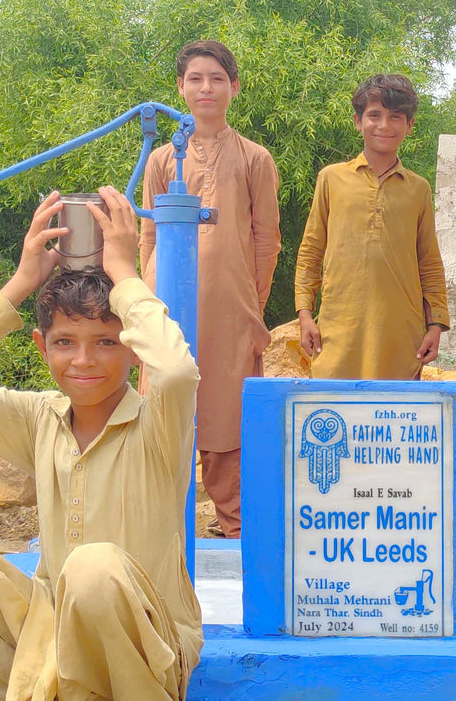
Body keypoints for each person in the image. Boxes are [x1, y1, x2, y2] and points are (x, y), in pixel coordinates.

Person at [0, 187, 203, 700]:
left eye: (106, 342)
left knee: (92, 569)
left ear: (131, 349)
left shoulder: (158, 425)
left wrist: (125, 274)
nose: (83, 361)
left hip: (148, 650)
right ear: (43, 347)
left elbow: (174, 370)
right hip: (50, 638)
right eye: (66, 342)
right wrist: (20, 284)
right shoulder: (38, 419)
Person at [139, 39, 280, 539]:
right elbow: (149, 234)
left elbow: (267, 239)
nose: (206, 88)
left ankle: (235, 529)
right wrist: (147, 306)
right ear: (179, 87)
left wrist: (250, 306)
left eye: (216, 78)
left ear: (233, 88)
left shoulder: (255, 158)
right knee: (164, 411)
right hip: (168, 307)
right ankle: (160, 533)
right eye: (195, 79)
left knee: (227, 420)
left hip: (231, 311)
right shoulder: (159, 160)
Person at [294, 73, 449, 380]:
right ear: (357, 121)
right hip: (338, 329)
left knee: (392, 417)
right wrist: (305, 314)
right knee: (335, 415)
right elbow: (311, 251)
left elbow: (429, 261)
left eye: (395, 117)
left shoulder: (417, 189)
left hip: (400, 335)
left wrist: (435, 325)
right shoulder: (331, 179)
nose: (384, 126)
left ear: (409, 125)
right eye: (374, 115)